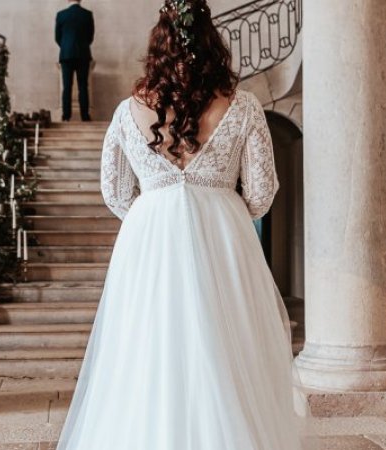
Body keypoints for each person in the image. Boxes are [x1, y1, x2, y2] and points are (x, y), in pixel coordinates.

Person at [56, 0, 301, 448]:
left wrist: (157, 215)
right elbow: (263, 192)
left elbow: (114, 192)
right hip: (225, 238)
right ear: (214, 46)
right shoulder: (243, 107)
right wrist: (219, 210)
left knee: (147, 350)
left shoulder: (128, 111)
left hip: (150, 241)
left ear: (158, 47)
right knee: (231, 347)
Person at [54, 0, 94, 121]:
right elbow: (90, 36)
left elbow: (57, 37)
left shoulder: (61, 14)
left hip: (66, 55)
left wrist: (66, 46)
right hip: (83, 54)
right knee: (83, 86)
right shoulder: (87, 14)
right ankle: (85, 116)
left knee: (67, 86)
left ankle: (66, 116)